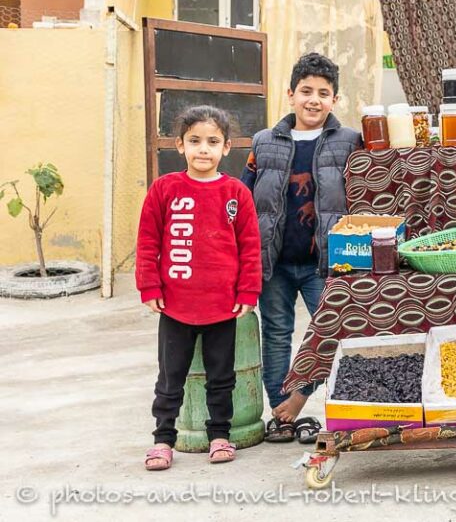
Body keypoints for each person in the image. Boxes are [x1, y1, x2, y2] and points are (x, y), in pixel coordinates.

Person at [241, 52, 362, 443]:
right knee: (276, 333)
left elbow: (365, 194)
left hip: (324, 263)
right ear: (290, 94)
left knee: (330, 331)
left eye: (323, 93)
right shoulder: (264, 142)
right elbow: (243, 198)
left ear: (335, 100)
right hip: (273, 261)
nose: (314, 100)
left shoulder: (350, 142)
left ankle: (295, 401)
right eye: (306, 91)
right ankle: (282, 416)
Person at [137, 106, 261, 471]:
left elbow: (250, 248)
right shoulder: (165, 189)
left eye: (212, 141)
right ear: (179, 145)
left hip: (222, 306)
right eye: (194, 141)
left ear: (226, 148)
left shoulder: (236, 193)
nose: (203, 149)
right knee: (170, 377)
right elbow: (147, 242)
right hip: (175, 306)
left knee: (222, 376)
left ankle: (219, 435)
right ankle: (163, 440)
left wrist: (247, 293)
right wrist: (149, 286)